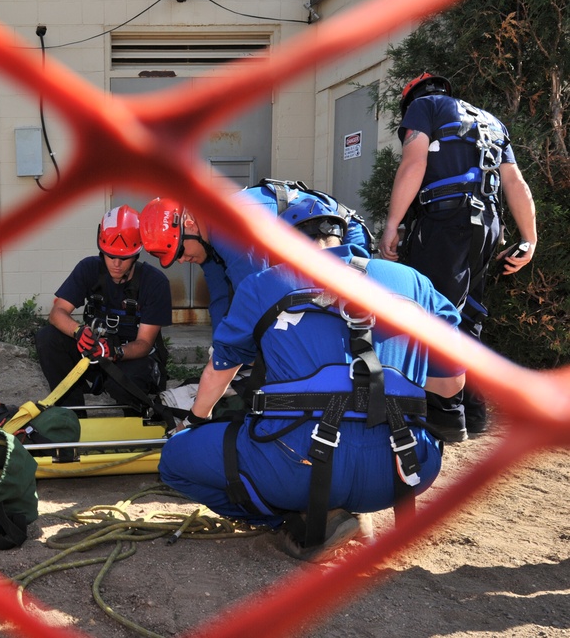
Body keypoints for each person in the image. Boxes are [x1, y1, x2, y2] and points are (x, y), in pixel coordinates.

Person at [158, 198, 465, 562]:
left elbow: (219, 370)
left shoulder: (265, 284)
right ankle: (345, 510)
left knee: (174, 461)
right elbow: (450, 385)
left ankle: (298, 520)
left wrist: (194, 421)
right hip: (404, 470)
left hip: (294, 465)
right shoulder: (414, 281)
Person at [378, 73, 538, 441]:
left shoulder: (424, 107)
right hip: (487, 226)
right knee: (469, 316)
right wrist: (529, 238)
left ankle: (444, 417)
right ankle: (474, 413)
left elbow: (414, 162)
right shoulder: (490, 122)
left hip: (447, 222)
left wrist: (392, 224)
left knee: (432, 313)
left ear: (411, 101)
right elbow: (514, 182)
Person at [139, 179, 372, 334]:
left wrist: (236, 359)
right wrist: (220, 351)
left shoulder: (228, 230)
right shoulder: (209, 241)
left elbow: (257, 300)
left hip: (341, 239)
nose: (181, 260)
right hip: (308, 247)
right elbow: (221, 301)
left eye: (179, 251)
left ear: (189, 224)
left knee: (326, 329)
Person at [35, 205, 172, 414]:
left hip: (132, 358)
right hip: (95, 352)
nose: (116, 264)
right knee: (48, 338)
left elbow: (144, 344)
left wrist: (115, 352)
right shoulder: (89, 269)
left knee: (128, 381)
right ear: (101, 251)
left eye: (124, 258)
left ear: (136, 254)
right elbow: (57, 312)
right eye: (110, 256)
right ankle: (71, 415)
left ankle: (135, 416)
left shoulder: (155, 283)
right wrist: (79, 332)